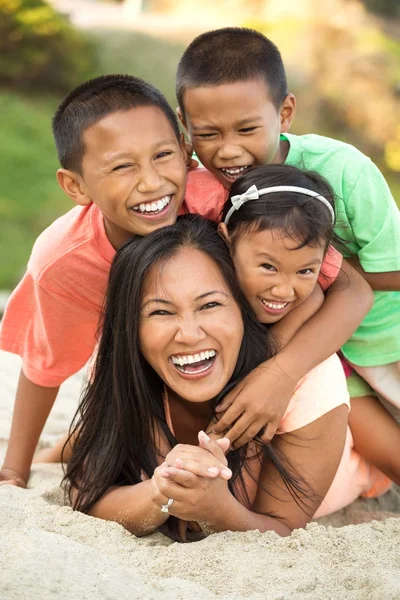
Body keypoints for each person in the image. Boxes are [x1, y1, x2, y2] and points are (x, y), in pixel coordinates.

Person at [0, 74, 371, 488]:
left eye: (163, 156)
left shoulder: (219, 202)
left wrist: (277, 372)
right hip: (153, 361)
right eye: (122, 166)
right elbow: (44, 365)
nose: (152, 182)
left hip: (244, 346)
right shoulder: (64, 262)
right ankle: (63, 450)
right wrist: (15, 470)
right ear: (76, 185)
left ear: (186, 151)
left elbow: (342, 287)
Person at [64, 214, 351, 539]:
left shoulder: (308, 383)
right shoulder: (122, 364)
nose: (189, 334)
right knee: (85, 440)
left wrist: (217, 510)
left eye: (210, 305)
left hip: (346, 457)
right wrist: (160, 493)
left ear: (243, 308)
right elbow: (87, 495)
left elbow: (283, 529)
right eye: (160, 311)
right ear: (131, 327)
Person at [176, 26, 400, 411]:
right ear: (186, 125)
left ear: (285, 113)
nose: (228, 151)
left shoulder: (345, 171)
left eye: (247, 129)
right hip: (320, 351)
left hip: (385, 337)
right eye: (208, 134)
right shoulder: (199, 188)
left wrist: (314, 266)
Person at [216, 163, 400, 489]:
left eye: (304, 271)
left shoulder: (306, 307)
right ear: (226, 241)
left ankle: (366, 473)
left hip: (330, 411)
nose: (284, 290)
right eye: (268, 267)